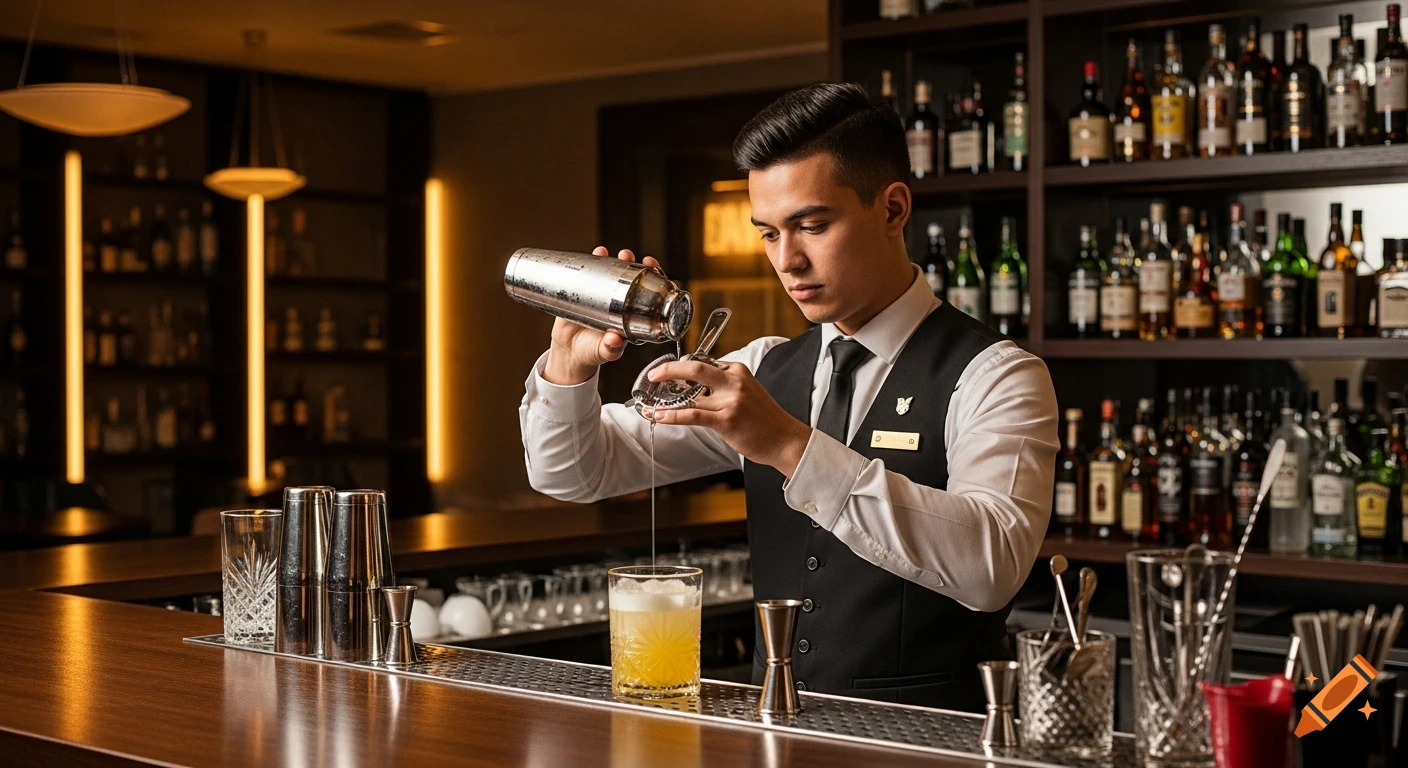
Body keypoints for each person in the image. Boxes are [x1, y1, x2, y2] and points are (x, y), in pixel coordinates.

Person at [518, 83, 1058, 711]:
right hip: (773, 732)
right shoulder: (763, 367)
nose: (788, 260)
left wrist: (786, 444)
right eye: (769, 233)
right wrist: (569, 364)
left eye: (812, 226)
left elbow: (992, 566)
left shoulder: (998, 376)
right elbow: (573, 473)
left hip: (931, 741)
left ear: (892, 209)